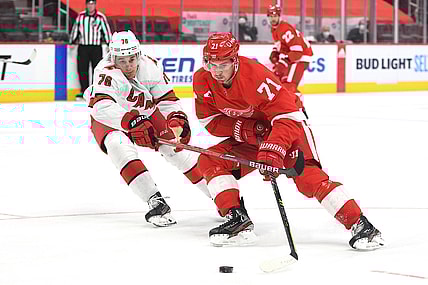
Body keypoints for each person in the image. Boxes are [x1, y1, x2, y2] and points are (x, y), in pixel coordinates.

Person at [191, 32, 384, 251]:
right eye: (211, 64)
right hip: (255, 135)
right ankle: (237, 220)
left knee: (308, 180)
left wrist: (274, 149)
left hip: (289, 129)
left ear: (234, 60)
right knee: (209, 160)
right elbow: (210, 120)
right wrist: (247, 130)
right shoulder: (202, 79)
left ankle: (361, 225)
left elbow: (289, 117)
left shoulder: (255, 77)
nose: (216, 71)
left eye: (223, 65)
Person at [84, 30, 210, 227]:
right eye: (122, 60)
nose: (128, 65)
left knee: (175, 149)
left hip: (145, 112)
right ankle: (155, 201)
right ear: (113, 57)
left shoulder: (150, 66)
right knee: (118, 145)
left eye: (131, 59)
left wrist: (175, 120)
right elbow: (102, 107)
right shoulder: (105, 71)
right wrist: (131, 122)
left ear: (138, 55)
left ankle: (220, 197)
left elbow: (167, 100)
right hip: (111, 119)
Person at [267, 4, 313, 100]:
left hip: (300, 58)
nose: (273, 19)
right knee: (281, 83)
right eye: (270, 16)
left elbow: (297, 51)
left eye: (275, 16)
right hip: (293, 57)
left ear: (279, 17)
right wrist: (275, 52)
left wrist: (283, 62)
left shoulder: (285, 29)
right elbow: (282, 46)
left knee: (289, 86)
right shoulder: (275, 29)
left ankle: (298, 107)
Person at [70, 0, 112, 100]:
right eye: (89, 4)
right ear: (86, 5)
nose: (90, 6)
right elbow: (75, 29)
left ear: (95, 5)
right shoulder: (81, 16)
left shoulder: (100, 17)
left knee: (96, 69)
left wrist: (109, 43)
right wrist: (72, 41)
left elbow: (106, 31)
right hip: (83, 46)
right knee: (82, 69)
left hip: (96, 47)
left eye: (92, 4)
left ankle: (96, 91)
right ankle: (84, 91)